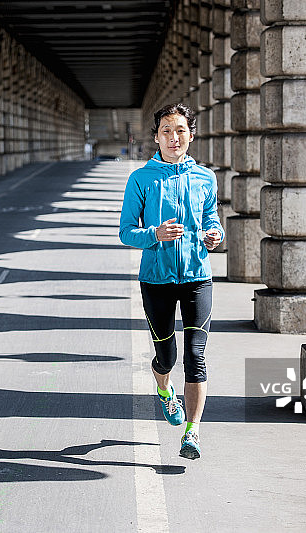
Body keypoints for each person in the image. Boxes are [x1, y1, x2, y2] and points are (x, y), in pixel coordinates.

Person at [119, 103, 224, 459]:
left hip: (198, 277)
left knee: (196, 356)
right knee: (167, 356)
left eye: (180, 130)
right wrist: (155, 234)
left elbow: (212, 220)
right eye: (167, 130)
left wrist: (214, 235)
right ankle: (165, 388)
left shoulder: (205, 178)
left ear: (190, 135)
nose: (174, 137)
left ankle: (192, 433)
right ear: (156, 137)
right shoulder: (141, 179)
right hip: (157, 280)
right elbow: (126, 232)